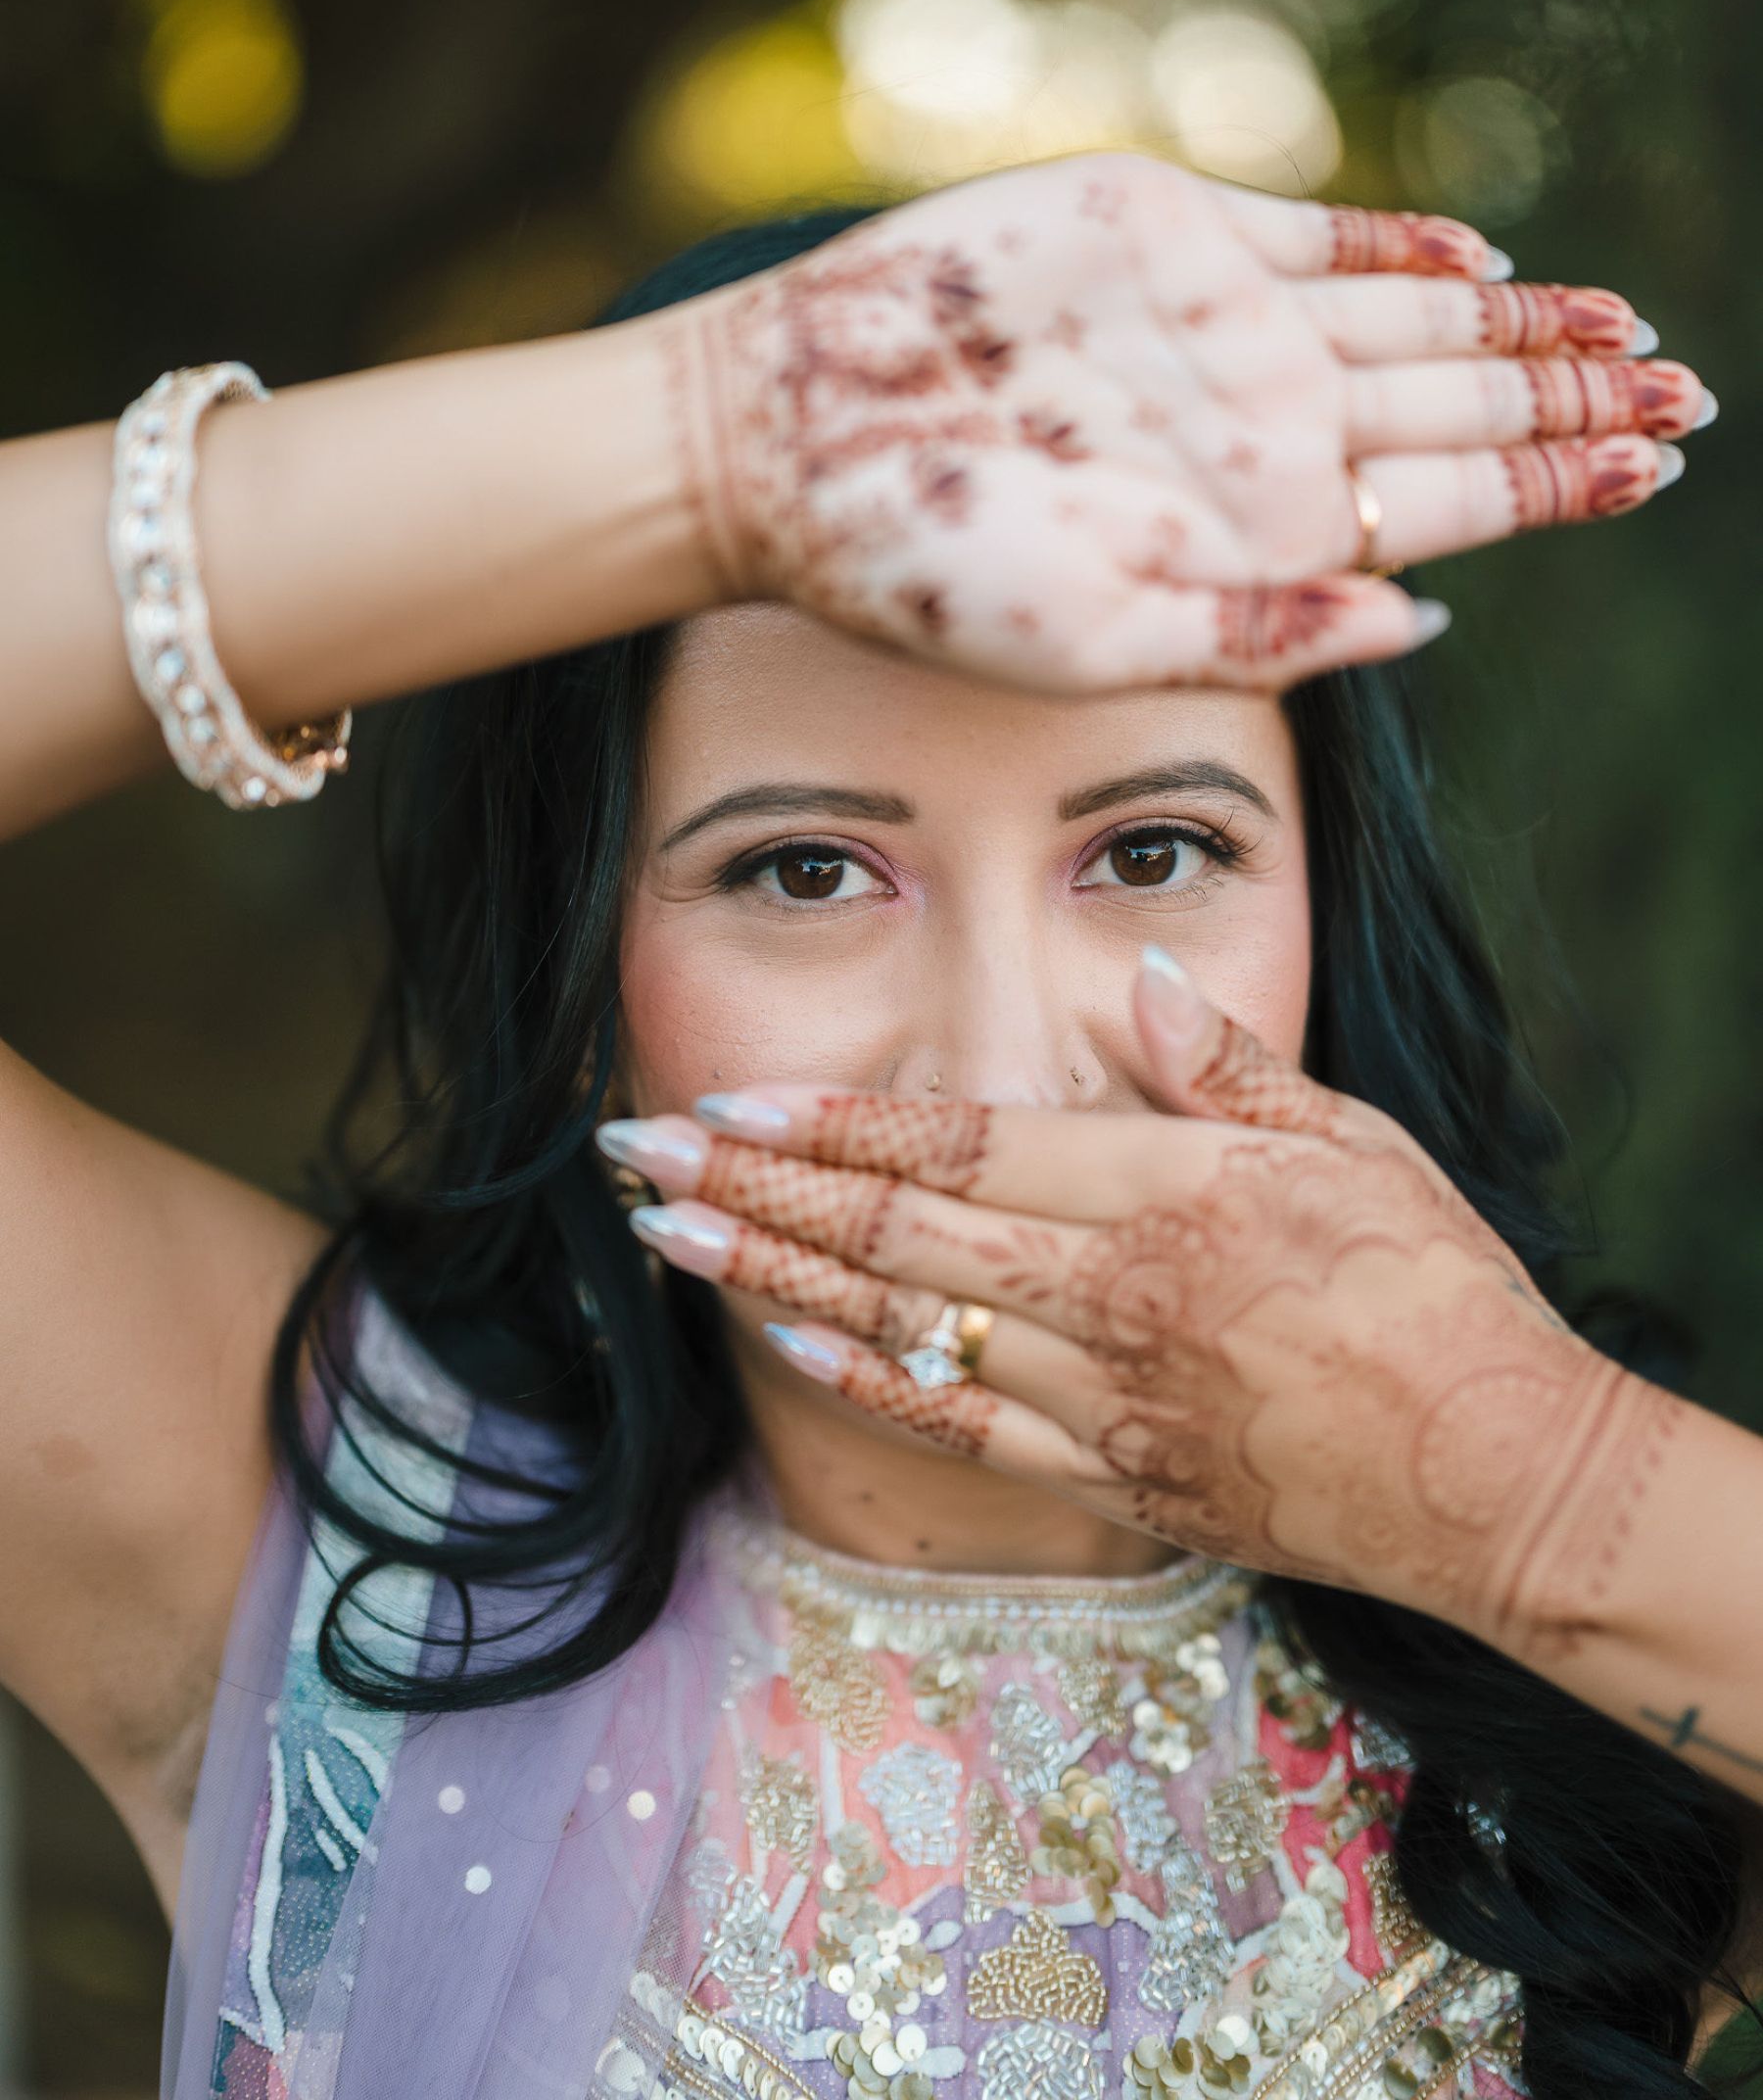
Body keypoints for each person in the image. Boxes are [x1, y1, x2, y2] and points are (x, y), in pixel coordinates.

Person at [0, 156, 1749, 2100]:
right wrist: (703, 441)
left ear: (1333, 918)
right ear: (588, 989)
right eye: (807, 868)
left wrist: (1537, 1489)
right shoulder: (314, 1563)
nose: (1002, 1065)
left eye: (1153, 849)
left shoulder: (1608, 1698)